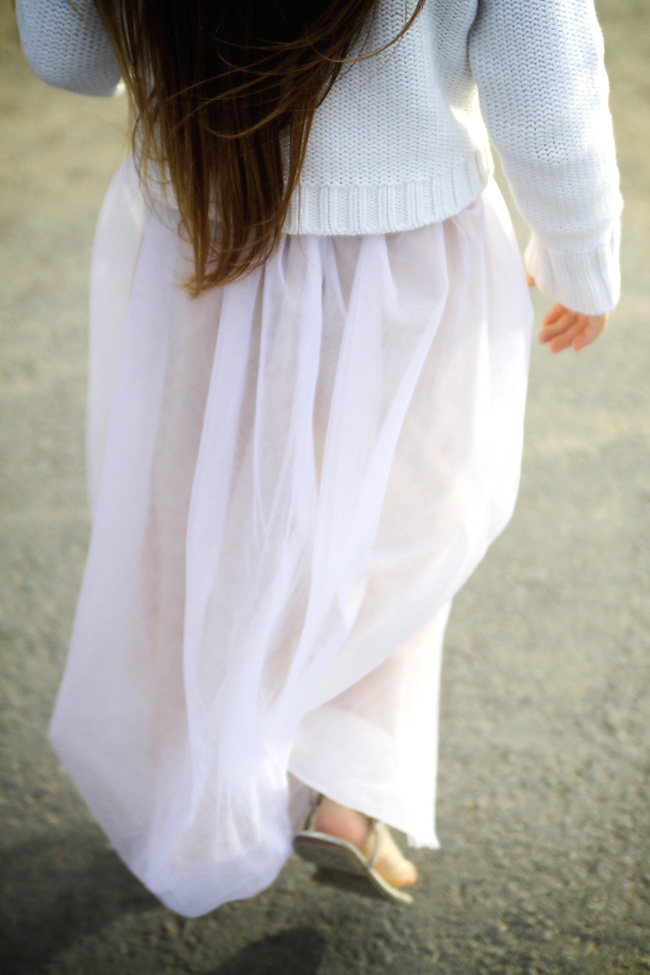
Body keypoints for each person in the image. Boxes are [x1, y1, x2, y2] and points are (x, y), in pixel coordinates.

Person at [15, 0, 621, 916]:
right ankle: (347, 797)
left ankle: (196, 795)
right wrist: (582, 257)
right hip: (410, 255)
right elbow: (547, 84)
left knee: (199, 519)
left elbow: (67, 56)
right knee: (395, 521)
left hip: (204, 238)